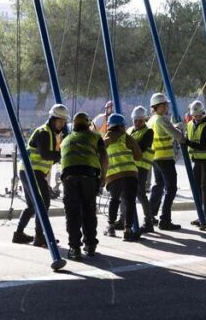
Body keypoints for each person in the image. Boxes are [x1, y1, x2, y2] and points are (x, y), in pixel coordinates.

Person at [12, 103, 69, 246]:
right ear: (52, 119)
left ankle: (18, 234)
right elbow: (45, 154)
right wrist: (63, 154)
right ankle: (39, 236)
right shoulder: (44, 132)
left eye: (64, 122)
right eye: (60, 121)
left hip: (30, 171)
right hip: (33, 172)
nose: (62, 124)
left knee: (32, 205)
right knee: (43, 203)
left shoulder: (51, 133)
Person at [60, 112, 107, 261]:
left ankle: (75, 248)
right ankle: (90, 245)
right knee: (88, 210)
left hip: (69, 177)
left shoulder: (66, 139)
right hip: (88, 175)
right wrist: (103, 177)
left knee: (72, 213)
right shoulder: (94, 137)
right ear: (88, 124)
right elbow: (104, 157)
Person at [147, 92, 187, 231]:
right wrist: (181, 130)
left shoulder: (152, 120)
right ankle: (165, 220)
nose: (167, 106)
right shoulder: (161, 120)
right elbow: (177, 136)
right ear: (159, 106)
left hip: (156, 158)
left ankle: (150, 216)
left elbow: (166, 129)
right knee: (171, 189)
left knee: (158, 186)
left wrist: (173, 126)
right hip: (165, 158)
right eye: (165, 104)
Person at [103, 113, 143, 242]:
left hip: (113, 177)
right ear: (120, 126)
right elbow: (138, 156)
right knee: (129, 202)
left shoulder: (104, 141)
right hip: (129, 175)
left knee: (114, 201)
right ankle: (127, 230)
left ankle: (110, 227)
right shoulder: (127, 138)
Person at [184, 100, 206, 229]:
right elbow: (189, 138)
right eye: (195, 116)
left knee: (205, 188)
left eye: (199, 115)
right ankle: (201, 215)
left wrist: (187, 142)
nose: (197, 118)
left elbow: (203, 146)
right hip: (197, 160)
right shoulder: (190, 124)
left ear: (203, 113)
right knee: (196, 188)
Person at [126, 106, 155, 234]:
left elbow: (142, 148)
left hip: (142, 167)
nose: (137, 123)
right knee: (128, 193)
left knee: (140, 194)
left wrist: (130, 144)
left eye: (140, 121)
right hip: (130, 165)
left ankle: (148, 221)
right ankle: (124, 220)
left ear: (144, 120)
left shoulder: (148, 132)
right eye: (136, 120)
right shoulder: (129, 130)